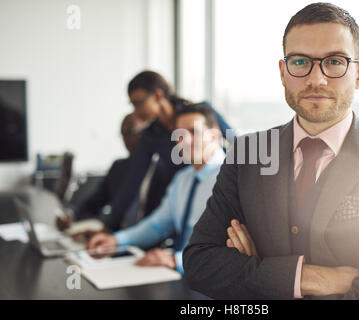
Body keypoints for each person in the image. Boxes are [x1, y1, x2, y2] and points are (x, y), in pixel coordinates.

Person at [183, 3, 359, 299]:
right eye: (300, 62)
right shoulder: (248, 153)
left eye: (335, 61)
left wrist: (256, 268)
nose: (316, 79)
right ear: (283, 72)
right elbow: (199, 263)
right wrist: (306, 278)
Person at [86, 103, 225, 274]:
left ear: (214, 135)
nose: (185, 140)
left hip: (210, 278)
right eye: (180, 135)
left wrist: (175, 260)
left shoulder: (233, 180)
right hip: (179, 275)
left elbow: (231, 248)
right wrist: (116, 240)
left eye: (194, 132)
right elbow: (157, 225)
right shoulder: (183, 179)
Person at [102, 71, 235, 232]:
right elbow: (133, 180)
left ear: (158, 96)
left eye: (138, 103)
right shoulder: (150, 136)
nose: (136, 111)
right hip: (179, 201)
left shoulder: (199, 113)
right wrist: (107, 227)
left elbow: (238, 145)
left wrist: (234, 181)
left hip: (213, 187)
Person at [56, 113, 149, 231]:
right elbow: (94, 202)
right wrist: (71, 214)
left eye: (130, 132)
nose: (126, 139)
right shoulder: (119, 167)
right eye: (123, 134)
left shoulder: (155, 169)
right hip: (112, 237)